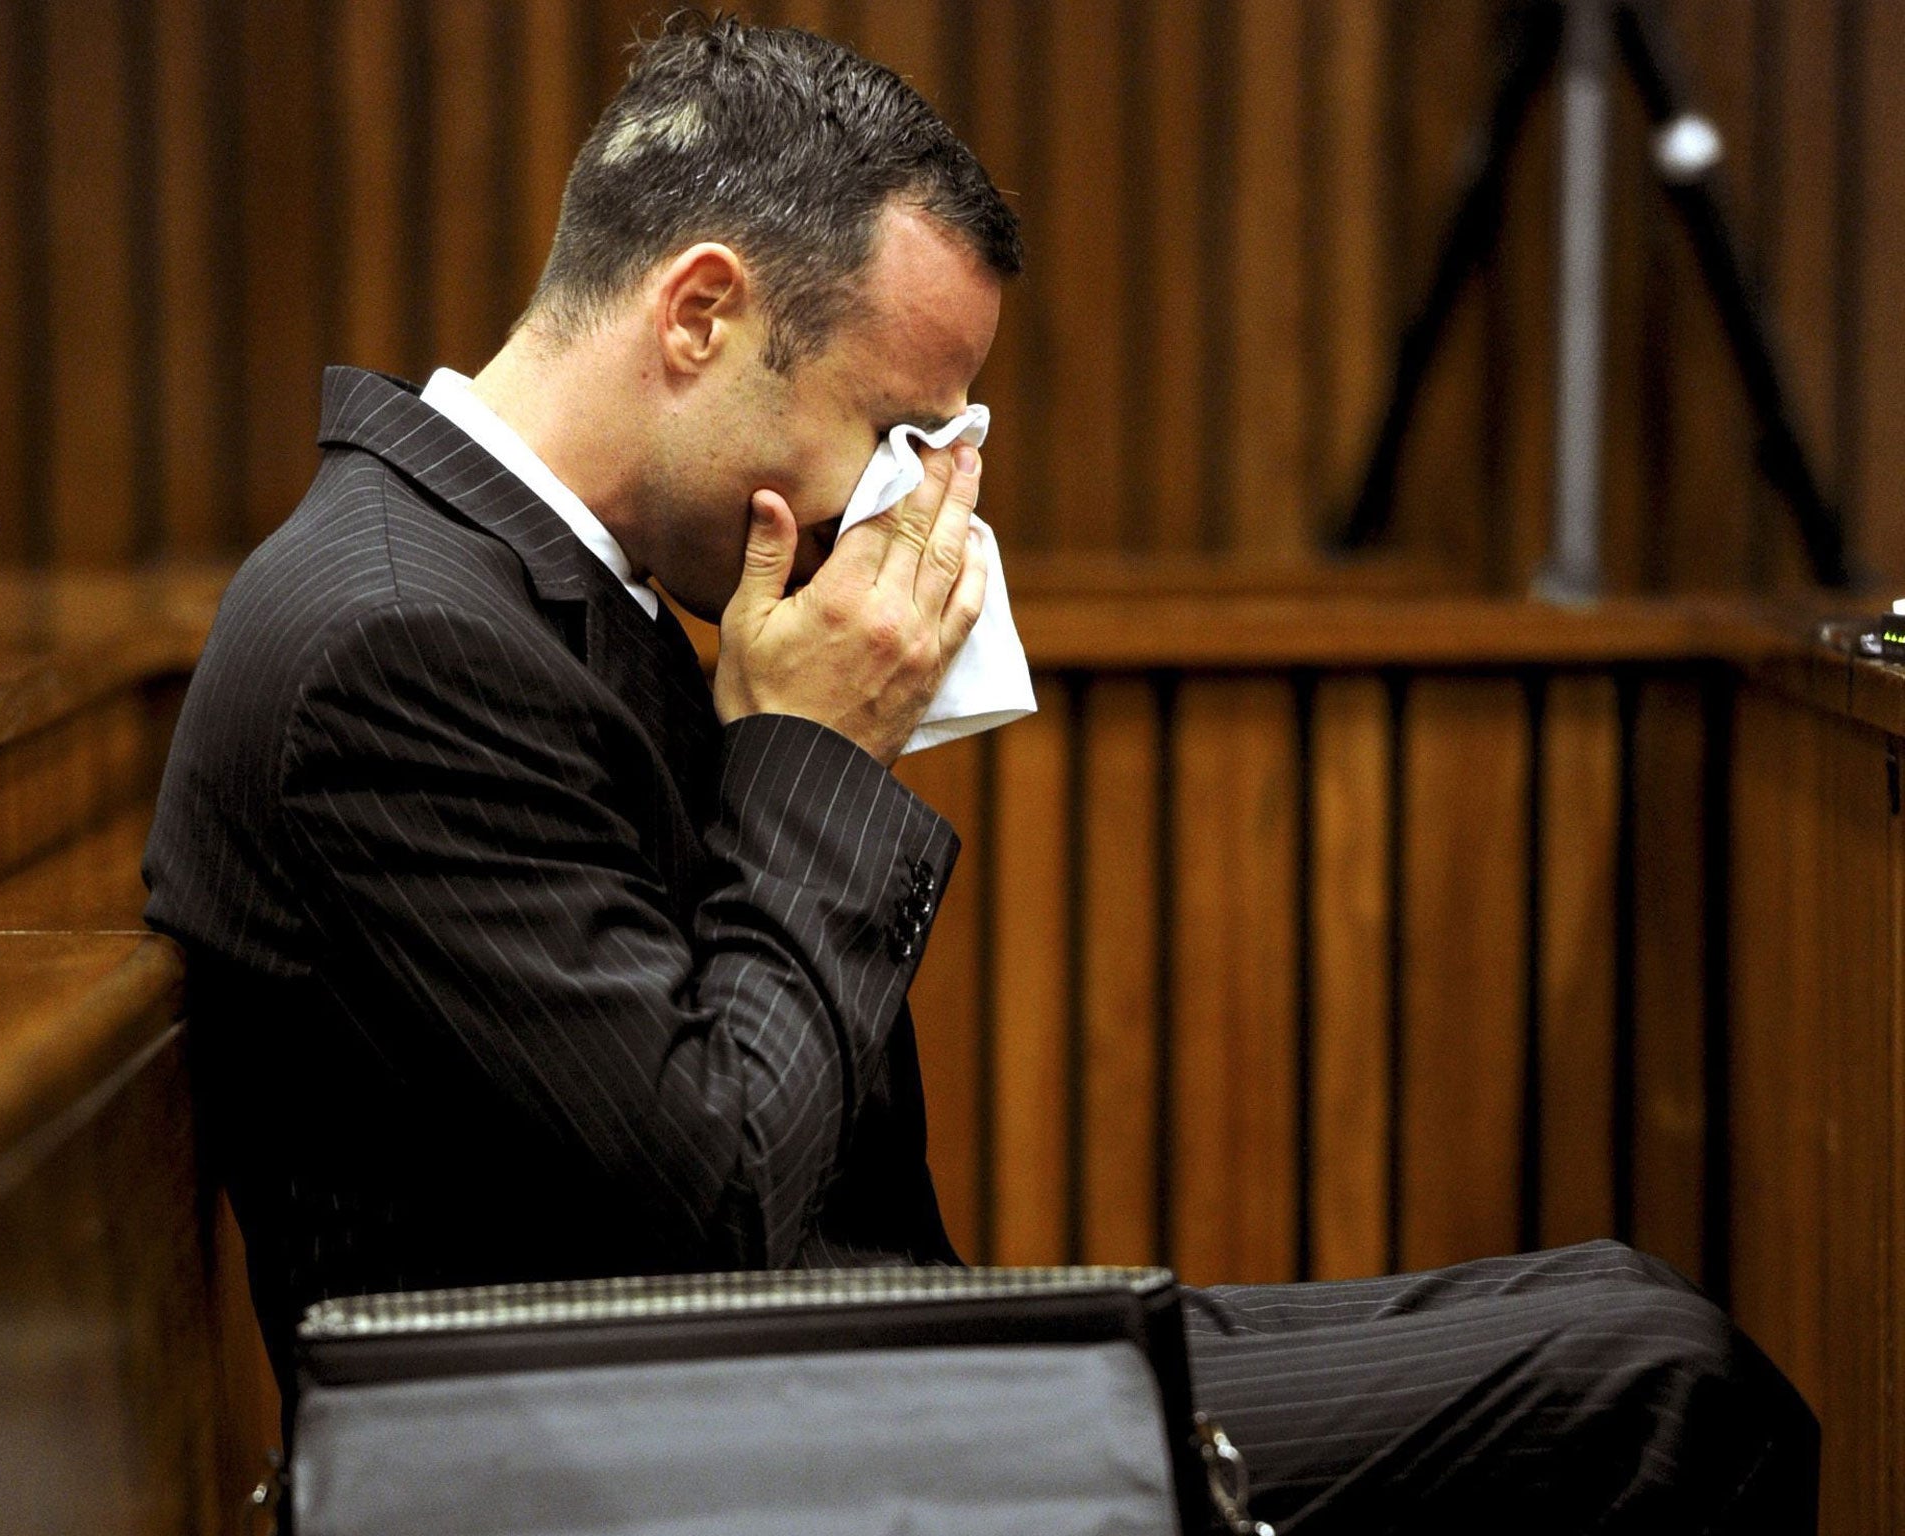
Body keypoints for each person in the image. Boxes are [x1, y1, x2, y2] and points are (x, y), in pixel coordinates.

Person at [142, 14, 1817, 1530]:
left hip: (812, 1386)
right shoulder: (396, 635)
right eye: (892, 435)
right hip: (683, 1460)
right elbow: (712, 1203)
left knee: (1621, 1298)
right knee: (1655, 1385)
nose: (908, 509)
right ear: (702, 313)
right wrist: (812, 752)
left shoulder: (527, 581)